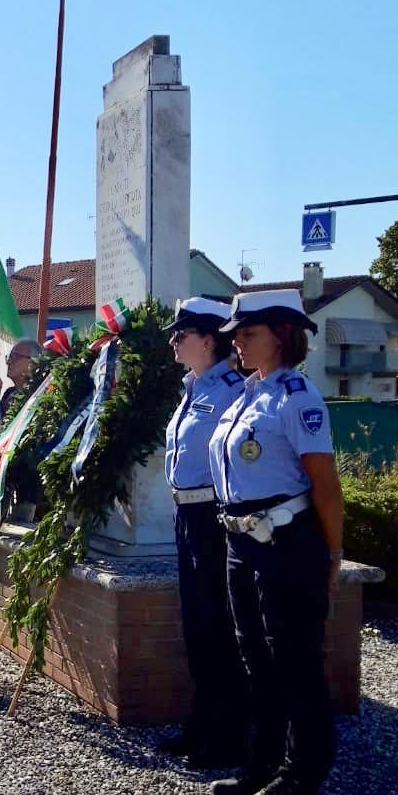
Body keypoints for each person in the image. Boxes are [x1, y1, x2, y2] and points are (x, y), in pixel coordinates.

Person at [206, 288, 343, 795]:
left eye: (249, 332)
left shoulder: (297, 398)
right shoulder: (248, 394)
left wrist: (332, 554)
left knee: (295, 663)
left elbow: (326, 487)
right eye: (235, 333)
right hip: (242, 542)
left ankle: (300, 779)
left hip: (288, 543)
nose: (237, 341)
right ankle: (262, 764)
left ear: (282, 335)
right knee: (256, 659)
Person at [162, 299, 248, 767]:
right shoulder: (191, 389)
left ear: (208, 340)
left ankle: (229, 734)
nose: (174, 342)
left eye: (182, 335)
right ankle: (201, 723)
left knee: (221, 627)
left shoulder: (233, 389)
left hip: (214, 518)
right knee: (197, 626)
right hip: (186, 517)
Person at [0, 339, 43, 439]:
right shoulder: (9, 393)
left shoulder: (40, 392)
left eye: (15, 357)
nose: (9, 362)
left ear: (33, 362)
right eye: (9, 357)